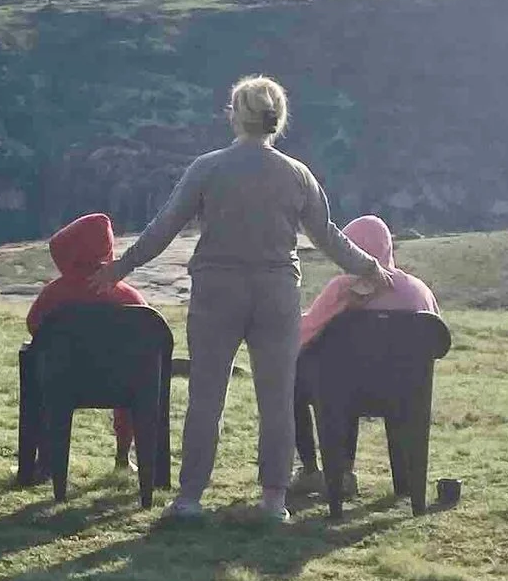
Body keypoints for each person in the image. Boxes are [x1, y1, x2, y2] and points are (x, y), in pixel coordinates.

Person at [106, 75, 383, 524]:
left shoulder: (208, 168)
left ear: (236, 115)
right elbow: (328, 236)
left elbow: (164, 228)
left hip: (217, 292)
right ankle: (274, 500)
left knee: (206, 397)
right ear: (278, 120)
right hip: (276, 293)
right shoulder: (297, 174)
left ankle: (190, 498)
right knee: (276, 400)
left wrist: (120, 268)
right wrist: (369, 266)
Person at [290, 214, 441, 499]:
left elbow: (303, 334)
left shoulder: (343, 289)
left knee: (295, 381)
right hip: (407, 392)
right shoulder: (419, 291)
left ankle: (314, 471)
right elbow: (437, 341)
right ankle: (405, 480)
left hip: (346, 392)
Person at [26, 211, 146, 471]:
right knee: (130, 381)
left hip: (64, 381)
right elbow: (147, 332)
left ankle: (45, 459)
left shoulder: (54, 294)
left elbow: (33, 325)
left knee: (43, 391)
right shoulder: (128, 295)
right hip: (120, 383)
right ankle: (123, 457)